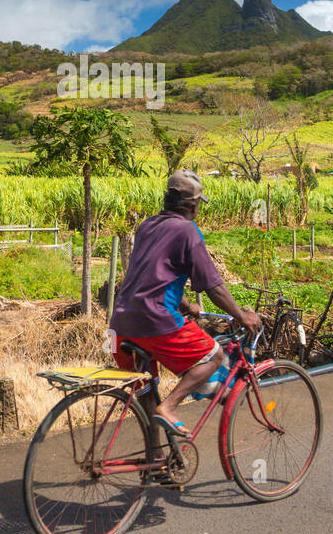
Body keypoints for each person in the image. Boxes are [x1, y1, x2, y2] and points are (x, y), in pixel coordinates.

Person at [110, 168, 261, 445]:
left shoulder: (146, 226)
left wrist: (185, 303)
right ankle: (170, 406)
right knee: (214, 356)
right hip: (155, 321)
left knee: (145, 391)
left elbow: (148, 274)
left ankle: (156, 459)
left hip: (118, 327)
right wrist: (241, 316)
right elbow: (214, 286)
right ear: (192, 205)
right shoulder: (187, 231)